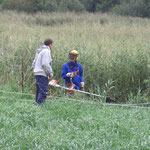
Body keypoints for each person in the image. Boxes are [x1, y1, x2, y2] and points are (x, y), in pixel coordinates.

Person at [32, 39, 53, 104]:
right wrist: (50, 73)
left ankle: (36, 105)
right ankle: (40, 106)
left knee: (39, 91)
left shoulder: (39, 50)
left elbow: (33, 63)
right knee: (43, 91)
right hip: (42, 73)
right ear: (50, 45)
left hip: (37, 72)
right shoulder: (46, 51)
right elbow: (45, 64)